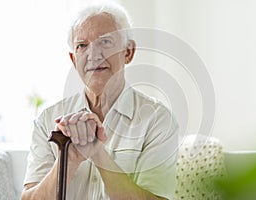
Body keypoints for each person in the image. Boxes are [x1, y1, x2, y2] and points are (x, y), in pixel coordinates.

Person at [21, 2, 179, 200]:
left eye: (105, 42)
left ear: (128, 52)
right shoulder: (48, 120)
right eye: (82, 46)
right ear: (73, 59)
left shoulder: (157, 120)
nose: (93, 55)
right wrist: (68, 161)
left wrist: (98, 153)